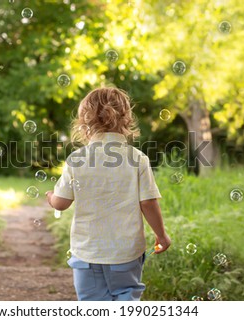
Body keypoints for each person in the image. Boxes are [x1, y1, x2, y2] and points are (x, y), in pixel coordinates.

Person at [45, 87, 171, 301]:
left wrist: (50, 197)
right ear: (126, 119)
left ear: (84, 122)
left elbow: (61, 203)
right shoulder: (137, 158)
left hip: (87, 253)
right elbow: (148, 203)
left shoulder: (77, 159)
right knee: (126, 298)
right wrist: (161, 235)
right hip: (126, 253)